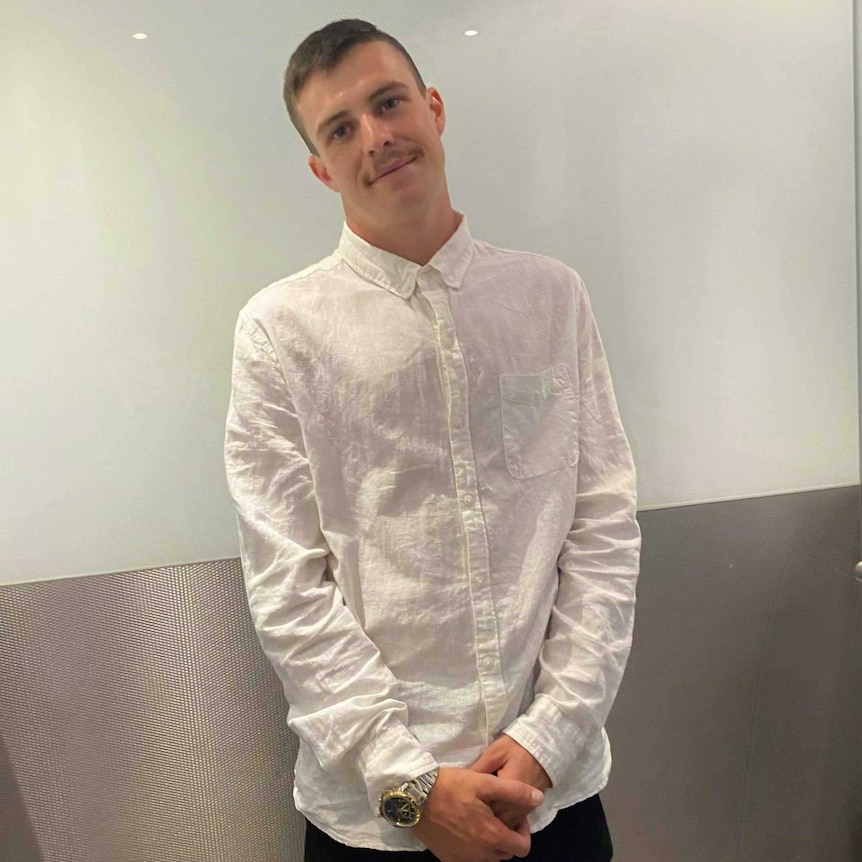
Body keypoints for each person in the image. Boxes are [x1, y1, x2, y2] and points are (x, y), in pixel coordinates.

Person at [224, 18, 641, 862]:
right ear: (319, 165)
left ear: (434, 108)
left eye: (389, 103)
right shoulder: (278, 331)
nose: (376, 137)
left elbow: (601, 530)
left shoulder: (549, 299)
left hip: (549, 798)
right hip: (376, 819)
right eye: (340, 128)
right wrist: (411, 786)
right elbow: (288, 587)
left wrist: (548, 739)